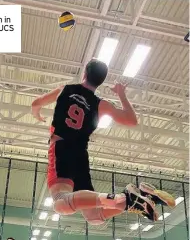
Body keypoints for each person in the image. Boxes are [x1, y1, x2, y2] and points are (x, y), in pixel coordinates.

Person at [31, 59, 175, 226]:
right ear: (100, 81)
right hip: (80, 156)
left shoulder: (65, 90)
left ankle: (123, 198)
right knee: (94, 216)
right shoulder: (100, 104)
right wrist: (121, 94)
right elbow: (131, 120)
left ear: (84, 73)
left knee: (61, 203)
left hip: (61, 149)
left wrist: (37, 114)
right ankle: (135, 198)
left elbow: (36, 103)